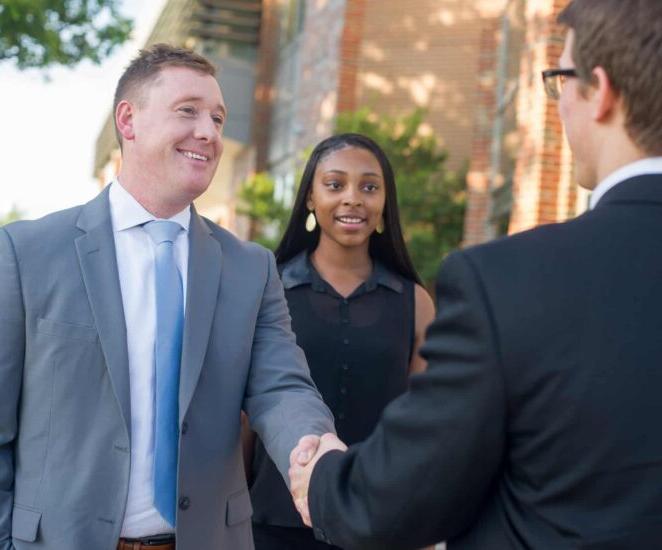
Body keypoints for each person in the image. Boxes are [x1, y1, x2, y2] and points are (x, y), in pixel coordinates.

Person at [288, 0, 662, 548]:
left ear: (599, 92)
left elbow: (404, 494)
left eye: (561, 80)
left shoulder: (510, 283)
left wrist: (321, 478)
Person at [0, 44, 334, 550]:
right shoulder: (27, 253)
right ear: (128, 121)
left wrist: (312, 446)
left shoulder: (251, 268)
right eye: (189, 111)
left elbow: (282, 387)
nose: (210, 132)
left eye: (218, 118)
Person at [246, 134, 435, 549]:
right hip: (274, 526)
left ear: (385, 203)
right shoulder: (267, 288)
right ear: (311, 198)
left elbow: (423, 423)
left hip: (380, 525)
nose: (353, 199)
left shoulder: (415, 303)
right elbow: (244, 417)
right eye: (335, 185)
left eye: (369, 187)